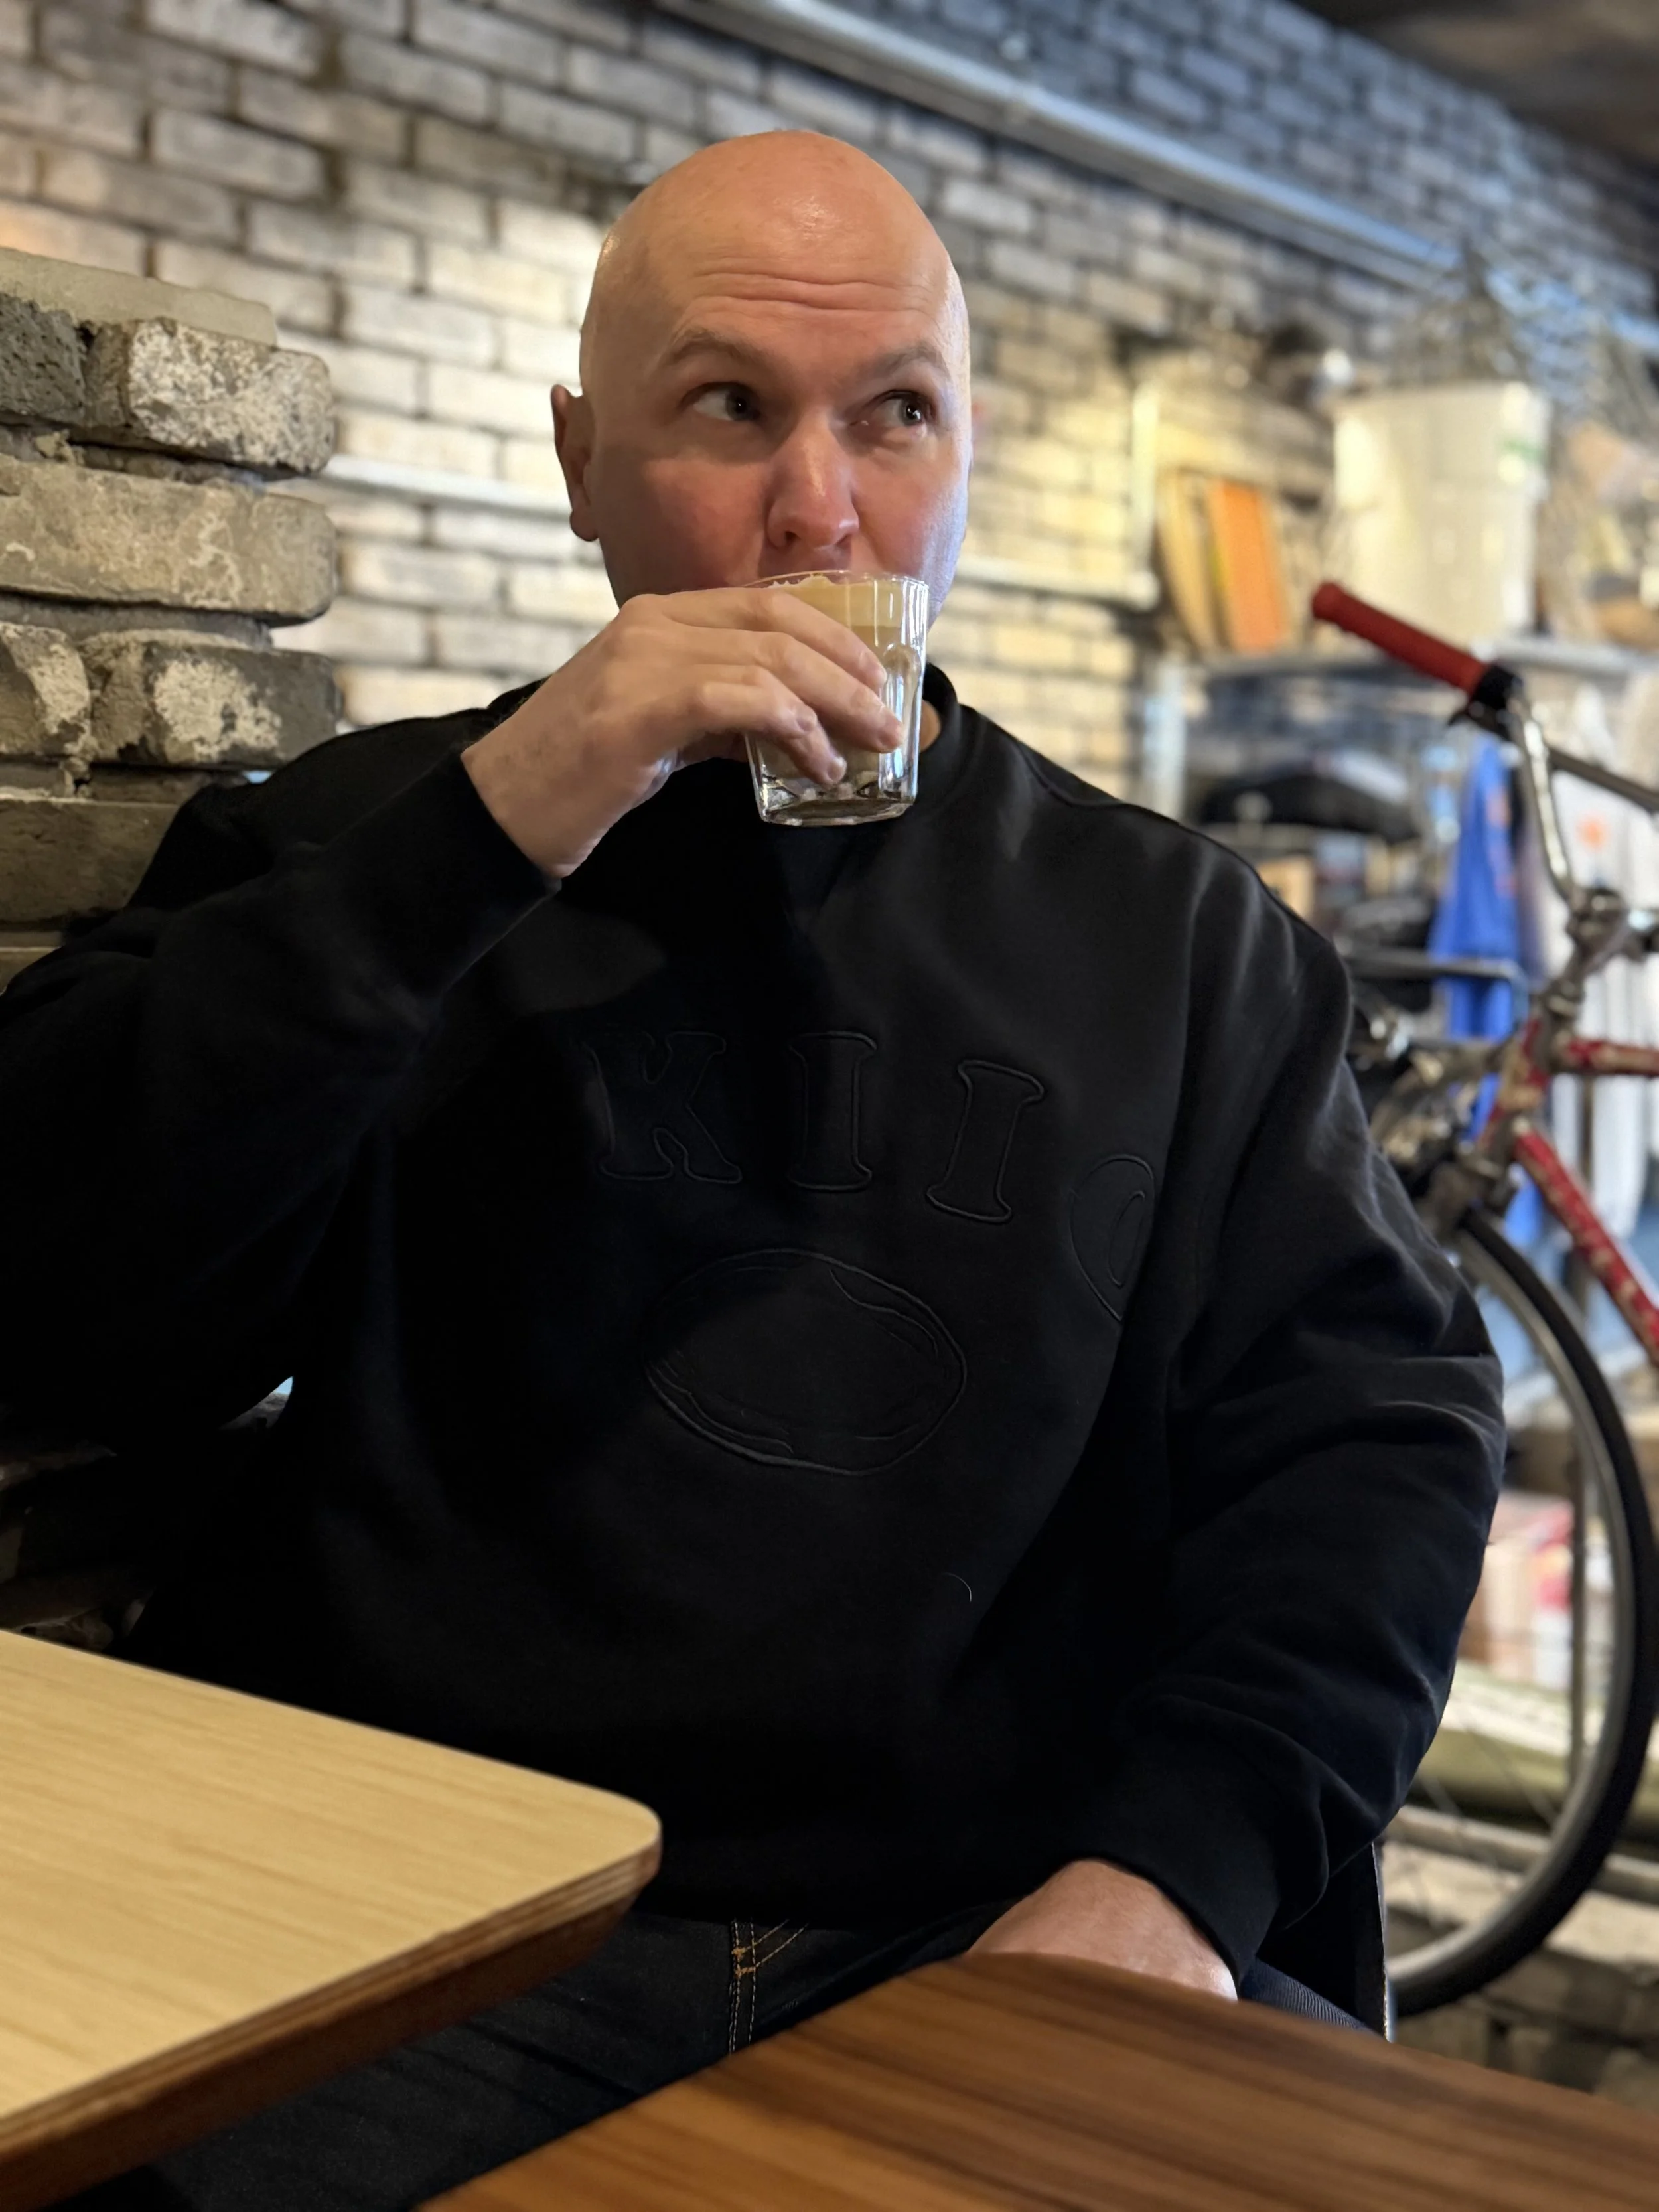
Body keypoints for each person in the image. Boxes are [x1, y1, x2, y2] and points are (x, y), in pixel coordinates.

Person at [3, 133, 1502, 2210]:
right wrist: (503, 812)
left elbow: (1373, 1448)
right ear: (576, 460)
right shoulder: (359, 842)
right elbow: (68, 1303)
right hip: (428, 1932)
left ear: (961, 453)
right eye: (729, 411)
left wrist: (1174, 1870)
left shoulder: (1174, 938)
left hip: (979, 1924)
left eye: (896, 413)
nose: (822, 510)